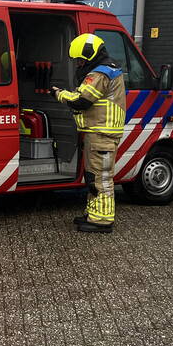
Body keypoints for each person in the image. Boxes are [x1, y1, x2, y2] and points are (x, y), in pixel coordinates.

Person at [52, 33, 126, 233]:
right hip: (99, 133)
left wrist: (59, 93)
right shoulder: (107, 70)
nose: (78, 63)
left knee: (100, 178)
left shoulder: (100, 73)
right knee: (93, 177)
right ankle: (94, 213)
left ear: (90, 54)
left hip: (101, 133)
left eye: (81, 59)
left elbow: (81, 100)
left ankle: (101, 220)